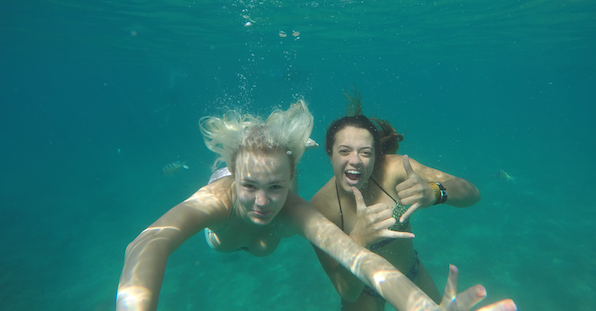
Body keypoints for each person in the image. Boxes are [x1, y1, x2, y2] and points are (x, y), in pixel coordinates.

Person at [116, 100, 515, 311]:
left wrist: (423, 307)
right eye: (249, 185)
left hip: (400, 269)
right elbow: (147, 243)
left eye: (276, 186)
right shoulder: (221, 200)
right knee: (258, 226)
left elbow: (361, 260)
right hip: (229, 231)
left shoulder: (297, 208)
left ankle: (285, 152)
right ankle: (250, 158)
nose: (261, 202)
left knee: (270, 231)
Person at [310, 93, 484, 311]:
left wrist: (434, 192)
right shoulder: (320, 208)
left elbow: (472, 193)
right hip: (362, 293)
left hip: (411, 275)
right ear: (330, 154)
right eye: (344, 151)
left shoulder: (394, 169)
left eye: (365, 153)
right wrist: (358, 239)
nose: (355, 160)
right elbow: (346, 290)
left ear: (376, 156)